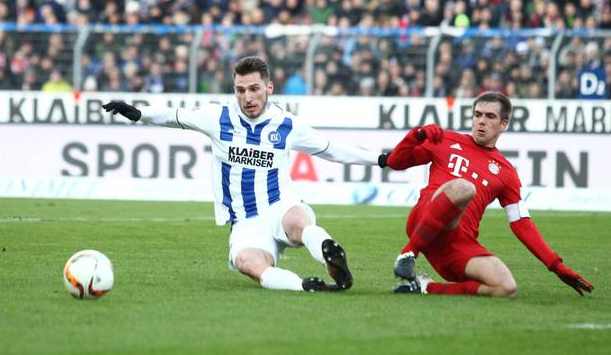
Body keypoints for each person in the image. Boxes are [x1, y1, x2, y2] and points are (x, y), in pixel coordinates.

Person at [103, 56, 379, 292]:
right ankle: (305, 286)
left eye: (254, 89)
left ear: (269, 88)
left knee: (298, 223)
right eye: (240, 90)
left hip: (280, 204)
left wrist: (379, 159)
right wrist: (139, 113)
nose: (247, 97)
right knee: (248, 262)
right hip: (245, 220)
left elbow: (332, 149)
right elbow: (175, 116)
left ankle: (330, 255)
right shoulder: (217, 117)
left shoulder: (286, 124)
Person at [378, 92, 594, 297]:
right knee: (465, 187)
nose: (481, 121)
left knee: (506, 287)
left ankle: (424, 287)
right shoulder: (445, 140)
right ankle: (408, 253)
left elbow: (521, 223)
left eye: (490, 116)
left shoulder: (507, 172)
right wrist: (416, 135)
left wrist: (556, 266)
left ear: (504, 124)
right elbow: (396, 162)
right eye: (477, 115)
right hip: (423, 221)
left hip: (456, 245)